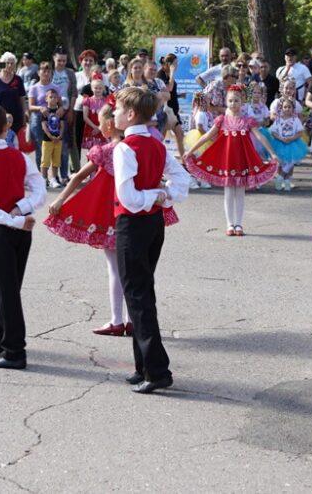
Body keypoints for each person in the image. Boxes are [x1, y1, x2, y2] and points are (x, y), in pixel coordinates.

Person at [46, 105, 179, 336]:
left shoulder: (106, 150)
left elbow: (78, 176)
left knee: (116, 269)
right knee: (136, 270)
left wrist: (60, 200)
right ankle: (131, 320)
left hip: (112, 213)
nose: (99, 126)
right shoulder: (134, 146)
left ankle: (118, 320)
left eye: (100, 122)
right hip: (138, 212)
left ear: (108, 125)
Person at [112, 87, 190, 394]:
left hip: (133, 224)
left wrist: (157, 195)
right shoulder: (156, 144)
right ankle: (143, 364)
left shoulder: (125, 147)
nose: (114, 114)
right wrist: (163, 196)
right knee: (140, 293)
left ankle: (156, 370)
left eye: (117, 109)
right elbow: (180, 182)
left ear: (131, 113)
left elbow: (128, 198)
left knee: (138, 294)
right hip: (153, 224)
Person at [0, 103, 46, 369]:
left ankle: (14, 349)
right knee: (7, 288)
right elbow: (39, 191)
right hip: (20, 226)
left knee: (6, 291)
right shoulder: (21, 158)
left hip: (2, 228)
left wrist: (12, 216)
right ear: (7, 126)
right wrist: (21, 210)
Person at [184, 85, 278, 236]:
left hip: (241, 160)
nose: (233, 104)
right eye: (230, 100)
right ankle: (229, 224)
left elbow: (260, 137)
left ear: (243, 102)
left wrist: (272, 153)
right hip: (227, 161)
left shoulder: (248, 121)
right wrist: (191, 150)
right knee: (228, 192)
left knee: (240, 192)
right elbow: (206, 136)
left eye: (236, 101)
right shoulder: (221, 120)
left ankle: (239, 224)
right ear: (226, 101)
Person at [27, 62, 65, 170]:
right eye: (44, 70)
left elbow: (61, 105)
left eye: (49, 71)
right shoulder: (34, 88)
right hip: (38, 118)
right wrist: (40, 108)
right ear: (39, 72)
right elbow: (30, 106)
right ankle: (41, 175)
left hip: (53, 121)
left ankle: (53, 175)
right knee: (41, 148)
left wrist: (61, 108)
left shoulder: (55, 87)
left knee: (55, 146)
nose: (46, 73)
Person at [270, 98, 309, 192]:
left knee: (291, 162)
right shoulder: (278, 119)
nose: (287, 109)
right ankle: (285, 182)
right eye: (285, 107)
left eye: (289, 107)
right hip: (280, 143)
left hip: (293, 143)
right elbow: (273, 132)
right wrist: (281, 138)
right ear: (281, 108)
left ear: (293, 108)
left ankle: (281, 177)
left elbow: (299, 132)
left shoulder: (295, 120)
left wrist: (291, 138)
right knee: (281, 162)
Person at [0, 53, 28, 153]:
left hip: (16, 117)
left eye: (12, 63)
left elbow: (22, 98)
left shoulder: (18, 79)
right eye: (7, 63)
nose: (10, 65)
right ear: (2, 64)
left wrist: (24, 114)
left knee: (15, 145)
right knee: (1, 144)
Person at [51, 48, 78, 180]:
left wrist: (71, 110)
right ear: (54, 59)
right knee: (50, 145)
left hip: (66, 112)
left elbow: (73, 93)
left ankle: (64, 174)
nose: (61, 63)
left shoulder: (70, 73)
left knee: (65, 145)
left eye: (64, 60)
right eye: (59, 60)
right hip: (50, 113)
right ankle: (51, 176)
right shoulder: (49, 72)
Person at [72, 49, 99, 171]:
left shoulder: (99, 76)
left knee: (93, 140)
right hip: (78, 110)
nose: (88, 62)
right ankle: (76, 168)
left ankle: (92, 168)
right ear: (81, 62)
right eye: (85, 60)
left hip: (94, 112)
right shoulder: (76, 76)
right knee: (77, 139)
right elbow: (72, 93)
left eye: (91, 60)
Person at [40, 90, 65, 188]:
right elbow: (44, 126)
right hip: (47, 140)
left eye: (55, 97)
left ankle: (53, 179)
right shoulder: (45, 112)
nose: (53, 99)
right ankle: (44, 178)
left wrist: (60, 136)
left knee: (56, 161)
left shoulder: (60, 112)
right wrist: (50, 136)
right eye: (51, 97)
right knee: (45, 160)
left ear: (58, 99)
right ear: (46, 99)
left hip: (58, 140)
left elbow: (62, 125)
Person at [81, 73, 108, 149]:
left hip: (102, 128)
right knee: (92, 153)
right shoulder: (87, 101)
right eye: (96, 88)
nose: (98, 90)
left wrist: (99, 128)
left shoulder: (106, 101)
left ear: (103, 89)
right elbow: (85, 117)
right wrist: (95, 127)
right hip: (91, 129)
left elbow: (107, 116)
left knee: (102, 152)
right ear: (92, 88)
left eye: (100, 88)